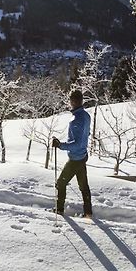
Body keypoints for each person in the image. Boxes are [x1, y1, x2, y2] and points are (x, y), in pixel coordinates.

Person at [52, 89, 92, 218]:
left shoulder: (76, 120)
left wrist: (60, 145)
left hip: (75, 158)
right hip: (83, 156)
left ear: (73, 101)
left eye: (71, 100)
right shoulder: (86, 116)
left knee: (60, 183)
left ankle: (59, 210)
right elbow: (86, 135)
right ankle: (88, 212)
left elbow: (77, 144)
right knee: (83, 186)